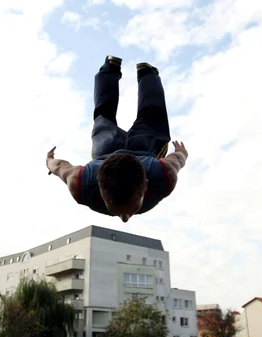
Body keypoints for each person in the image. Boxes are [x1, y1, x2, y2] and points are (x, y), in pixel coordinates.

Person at [46, 55, 188, 222]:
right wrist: (49, 161)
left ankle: (147, 72)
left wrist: (181, 153)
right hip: (108, 147)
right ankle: (112, 67)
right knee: (103, 114)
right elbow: (59, 167)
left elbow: (177, 159)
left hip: (137, 147)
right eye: (133, 208)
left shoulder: (81, 184)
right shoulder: (164, 175)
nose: (125, 218)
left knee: (152, 113)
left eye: (113, 209)